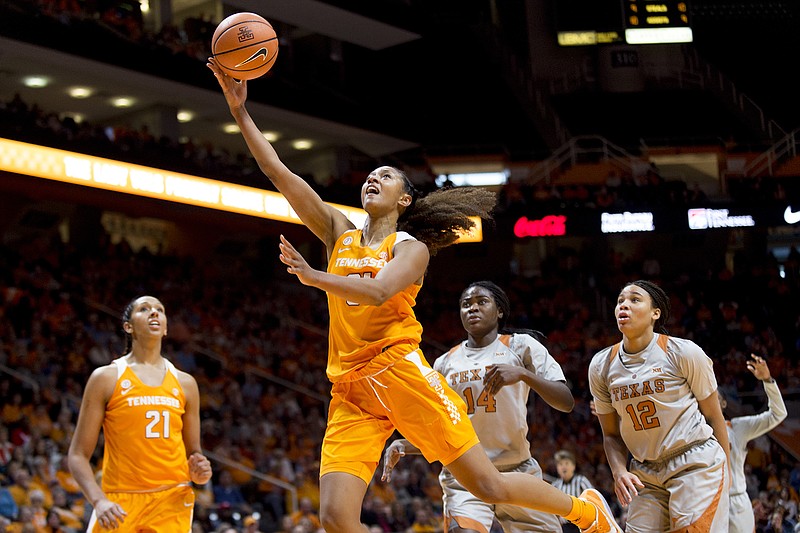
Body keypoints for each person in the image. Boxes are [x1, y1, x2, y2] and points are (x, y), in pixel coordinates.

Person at [208, 59, 623, 533]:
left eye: (385, 177)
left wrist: (314, 277)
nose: (372, 179)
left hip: (398, 369)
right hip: (351, 388)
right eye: (369, 175)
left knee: (488, 484)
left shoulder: (411, 247)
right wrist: (240, 112)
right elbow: (277, 171)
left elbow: (380, 290)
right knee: (336, 517)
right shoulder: (338, 232)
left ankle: (587, 512)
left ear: (404, 200)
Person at [382, 281, 573, 532]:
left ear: (500, 311)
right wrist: (403, 445)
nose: (472, 308)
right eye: (465, 304)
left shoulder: (519, 345)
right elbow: (442, 431)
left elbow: (566, 401)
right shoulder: (443, 363)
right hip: (465, 474)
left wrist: (523, 375)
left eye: (481, 302)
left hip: (516, 470)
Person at [588, 280, 730, 532]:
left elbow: (714, 416)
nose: (624, 305)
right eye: (620, 300)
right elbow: (610, 434)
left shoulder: (683, 352)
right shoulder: (601, 365)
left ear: (656, 313)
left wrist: (728, 473)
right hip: (645, 472)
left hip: (694, 463)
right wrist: (619, 471)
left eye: (634, 300)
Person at [67, 295, 213, 532]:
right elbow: (77, 455)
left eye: (160, 310)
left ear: (165, 328)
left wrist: (200, 473)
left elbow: (194, 454)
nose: (154, 312)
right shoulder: (106, 378)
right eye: (144, 309)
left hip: (172, 500)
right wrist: (99, 500)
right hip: (119, 501)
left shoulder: (186, 384)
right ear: (128, 326)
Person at [720, 354, 787, 533]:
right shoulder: (693, 431)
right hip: (708, 503)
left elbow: (777, 414)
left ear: (724, 403)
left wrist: (767, 380)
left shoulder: (737, 427)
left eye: (715, 396)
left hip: (736, 502)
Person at [552, 450, 596, 533]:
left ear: (573, 466)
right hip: (564, 527)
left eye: (567, 463)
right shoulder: (555, 485)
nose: (563, 467)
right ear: (557, 468)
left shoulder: (581, 481)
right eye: (560, 464)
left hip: (581, 525)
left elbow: (594, 498)